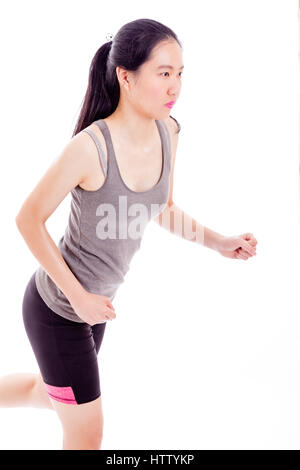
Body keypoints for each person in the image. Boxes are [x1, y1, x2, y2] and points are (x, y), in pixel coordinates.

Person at [0, 18, 257, 450]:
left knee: (47, 395)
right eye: (163, 73)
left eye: (179, 74)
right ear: (126, 76)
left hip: (95, 311)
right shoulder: (90, 147)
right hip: (58, 310)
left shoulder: (169, 133)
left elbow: (162, 208)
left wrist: (220, 242)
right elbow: (27, 219)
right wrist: (79, 298)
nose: (175, 86)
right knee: (86, 432)